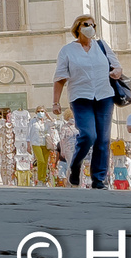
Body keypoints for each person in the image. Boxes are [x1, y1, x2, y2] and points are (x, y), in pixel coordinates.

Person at [52, 14, 125, 189]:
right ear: (78, 27)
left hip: (104, 95)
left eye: (93, 25)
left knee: (103, 139)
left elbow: (117, 66)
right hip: (80, 97)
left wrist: (117, 72)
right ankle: (75, 164)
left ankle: (98, 179)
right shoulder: (67, 50)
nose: (90, 28)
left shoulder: (101, 46)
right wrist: (55, 102)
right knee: (88, 135)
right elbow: (60, 78)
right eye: (87, 24)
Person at [29, 108, 53, 185]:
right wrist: (28, 144)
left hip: (45, 144)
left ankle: (43, 179)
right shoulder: (33, 121)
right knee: (40, 160)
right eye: (38, 111)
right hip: (36, 143)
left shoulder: (47, 122)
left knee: (45, 162)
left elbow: (55, 124)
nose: (40, 113)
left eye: (42, 111)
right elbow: (28, 132)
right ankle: (40, 179)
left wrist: (49, 117)